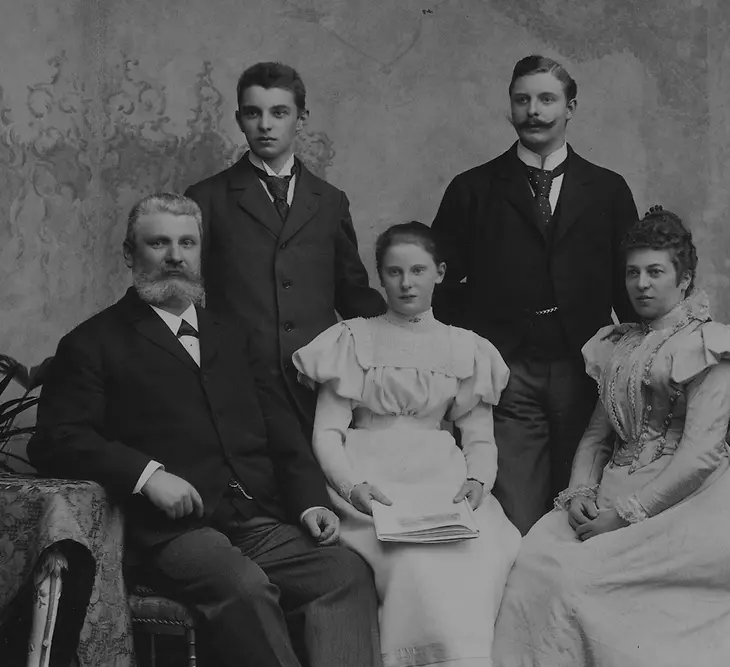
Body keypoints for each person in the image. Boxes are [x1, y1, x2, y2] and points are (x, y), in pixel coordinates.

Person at [28, 193, 382, 667]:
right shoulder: (92, 342)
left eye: (187, 243)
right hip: (170, 533)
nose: (175, 255)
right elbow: (56, 439)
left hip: (258, 518)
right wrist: (148, 475)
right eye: (159, 243)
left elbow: (281, 428)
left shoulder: (234, 334)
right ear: (130, 254)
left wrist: (310, 501)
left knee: (344, 573)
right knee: (244, 588)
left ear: (200, 253)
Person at [491, 207, 730, 667]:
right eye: (632, 272)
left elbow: (699, 457)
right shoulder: (617, 345)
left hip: (695, 503)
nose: (641, 284)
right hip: (613, 492)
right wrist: (579, 492)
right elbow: (597, 438)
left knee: (580, 583)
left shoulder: (712, 346)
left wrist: (623, 517)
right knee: (533, 567)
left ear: (685, 280)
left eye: (655, 272)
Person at [292, 222, 521, 667]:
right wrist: (351, 487)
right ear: (380, 276)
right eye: (394, 272)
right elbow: (327, 433)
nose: (406, 283)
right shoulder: (353, 339)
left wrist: (479, 480)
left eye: (418, 270)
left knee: (485, 554)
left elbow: (479, 437)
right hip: (372, 482)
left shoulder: (465, 347)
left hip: (442, 480)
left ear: (440, 273)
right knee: (414, 565)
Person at [430, 55, 640, 534]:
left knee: (583, 505)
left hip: (585, 369)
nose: (534, 111)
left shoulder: (607, 190)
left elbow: (629, 285)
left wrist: (635, 354)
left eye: (547, 99)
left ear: (571, 108)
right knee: (515, 512)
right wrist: (481, 339)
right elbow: (438, 283)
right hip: (508, 372)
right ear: (510, 107)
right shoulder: (473, 188)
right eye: (522, 99)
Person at [185, 61, 386, 437]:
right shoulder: (206, 198)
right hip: (240, 385)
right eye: (253, 113)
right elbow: (186, 296)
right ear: (239, 119)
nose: (265, 125)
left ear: (301, 119)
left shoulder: (329, 201)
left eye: (279, 113)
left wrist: (405, 333)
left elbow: (353, 294)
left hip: (317, 387)